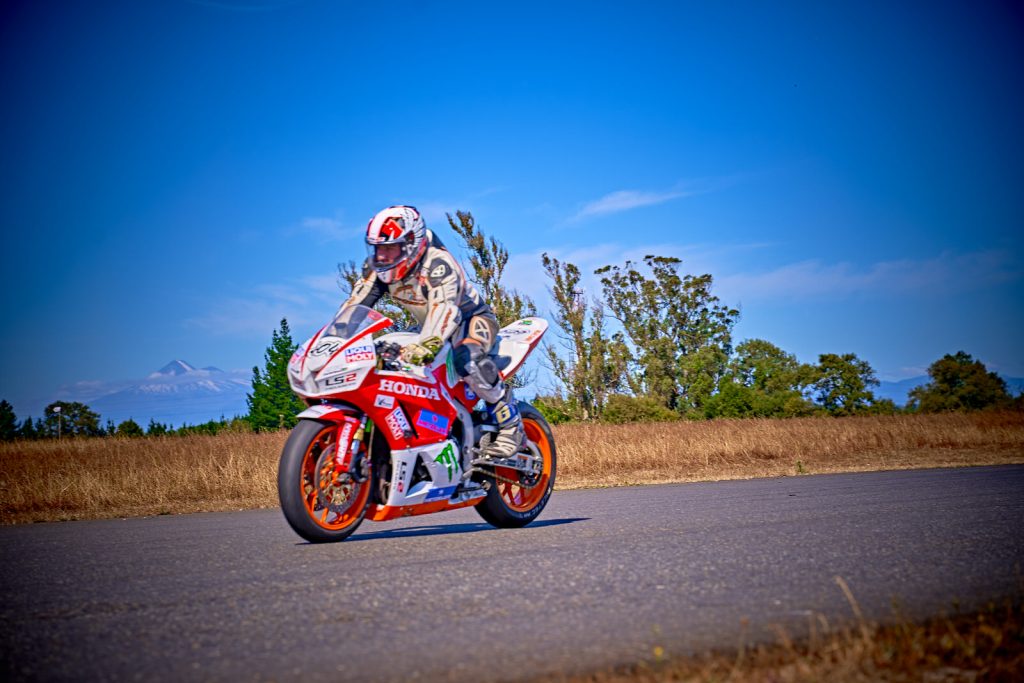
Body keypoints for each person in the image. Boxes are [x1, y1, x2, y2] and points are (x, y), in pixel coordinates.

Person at [343, 205, 524, 459]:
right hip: (427, 324)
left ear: (410, 243)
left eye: (389, 248)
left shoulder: (438, 264)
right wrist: (334, 343)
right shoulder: (378, 268)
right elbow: (353, 309)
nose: (381, 256)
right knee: (383, 357)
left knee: (467, 358)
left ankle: (510, 424)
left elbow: (445, 309)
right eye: (377, 248)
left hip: (469, 320)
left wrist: (426, 345)